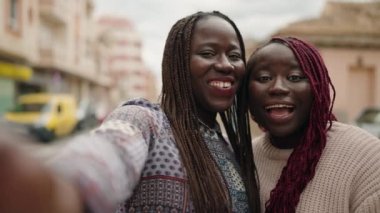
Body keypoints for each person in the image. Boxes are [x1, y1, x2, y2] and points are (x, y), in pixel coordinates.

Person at [0, 11, 261, 212]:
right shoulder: (147, 121)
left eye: (235, 56)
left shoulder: (230, 148)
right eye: (208, 53)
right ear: (178, 64)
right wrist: (56, 189)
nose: (225, 65)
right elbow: (107, 155)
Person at [244, 36, 380, 213]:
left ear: (319, 87)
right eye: (264, 78)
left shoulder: (367, 159)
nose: (277, 87)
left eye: (294, 77)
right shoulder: (243, 160)